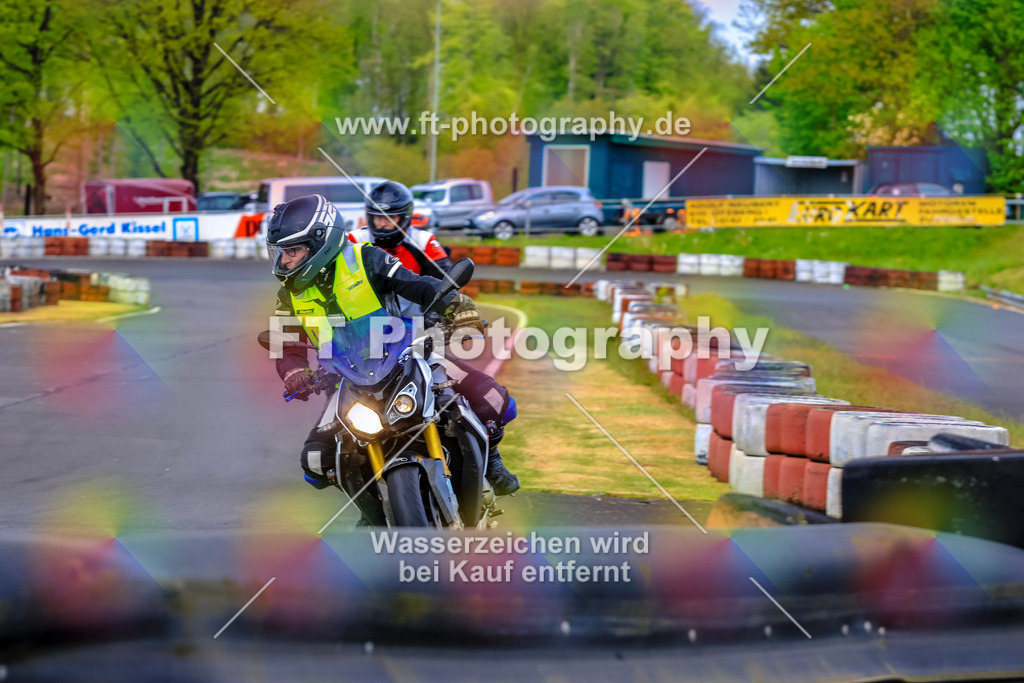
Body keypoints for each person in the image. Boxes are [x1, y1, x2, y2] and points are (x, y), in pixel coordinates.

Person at [266, 194, 519, 524]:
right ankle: (374, 513)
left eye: (292, 251)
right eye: (281, 252)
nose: (284, 261)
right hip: (345, 379)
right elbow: (286, 345)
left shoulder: (365, 259)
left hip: (404, 356)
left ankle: (490, 461)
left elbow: (418, 285)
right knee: (315, 461)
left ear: (320, 243)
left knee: (493, 400)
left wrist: (457, 306)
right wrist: (295, 371)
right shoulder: (289, 294)